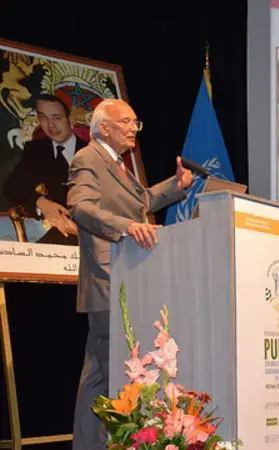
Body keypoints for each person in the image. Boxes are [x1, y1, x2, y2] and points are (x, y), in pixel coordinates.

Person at [67, 98, 193, 450]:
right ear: (104, 126)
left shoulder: (119, 165)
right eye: (127, 122)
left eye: (136, 122)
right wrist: (126, 227)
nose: (134, 128)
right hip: (106, 278)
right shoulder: (88, 158)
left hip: (126, 278)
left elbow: (140, 202)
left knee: (99, 374)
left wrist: (175, 186)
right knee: (109, 374)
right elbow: (79, 207)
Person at [3, 94, 85, 244]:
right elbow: (12, 187)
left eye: (56, 118)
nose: (50, 125)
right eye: (43, 117)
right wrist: (40, 202)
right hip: (53, 234)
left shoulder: (93, 153)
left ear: (70, 120)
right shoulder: (36, 149)